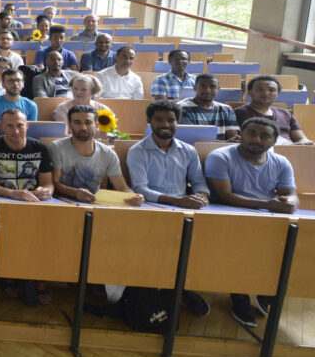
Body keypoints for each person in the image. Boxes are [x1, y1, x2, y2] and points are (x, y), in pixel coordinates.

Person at [204, 117, 298, 327]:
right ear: (241, 135)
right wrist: (269, 205)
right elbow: (225, 195)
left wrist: (289, 202)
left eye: (264, 136)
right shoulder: (220, 157)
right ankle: (239, 294)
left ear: (274, 140)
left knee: (294, 239)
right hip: (229, 215)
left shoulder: (281, 162)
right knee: (244, 242)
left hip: (267, 214)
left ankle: (265, 290)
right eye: (252, 133)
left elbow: (291, 193)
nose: (257, 139)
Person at [126, 100, 211, 317]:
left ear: (178, 121)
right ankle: (169, 291)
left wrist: (201, 196)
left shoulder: (188, 151)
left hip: (184, 211)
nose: (166, 124)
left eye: (171, 120)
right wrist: (176, 201)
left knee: (198, 247)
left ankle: (181, 287)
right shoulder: (137, 151)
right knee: (157, 250)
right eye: (159, 119)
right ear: (149, 121)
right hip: (150, 210)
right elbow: (140, 189)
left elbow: (199, 182)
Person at [0, 108, 54, 309]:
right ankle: (9, 277)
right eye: (10, 126)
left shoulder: (40, 148)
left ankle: (40, 278)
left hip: (35, 205)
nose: (15, 130)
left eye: (20, 125)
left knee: (49, 233)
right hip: (5, 203)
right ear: (1, 127)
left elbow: (49, 183)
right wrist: (13, 194)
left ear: (27, 125)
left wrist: (45, 191)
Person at [49, 106, 142, 204]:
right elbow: (55, 183)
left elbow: (121, 186)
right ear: (69, 125)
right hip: (62, 202)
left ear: (96, 125)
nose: (83, 127)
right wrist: (75, 193)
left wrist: (133, 197)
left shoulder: (108, 153)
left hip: (94, 203)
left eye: (88, 123)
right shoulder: (58, 148)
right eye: (77, 122)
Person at [234, 75, 314, 145]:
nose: (266, 93)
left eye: (271, 90)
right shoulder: (239, 113)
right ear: (250, 92)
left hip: (292, 151)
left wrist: (304, 143)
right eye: (260, 89)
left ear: (278, 93)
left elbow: (301, 138)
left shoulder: (285, 114)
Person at [178, 73, 239, 140]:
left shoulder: (227, 109)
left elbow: (233, 138)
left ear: (218, 89)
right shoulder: (183, 108)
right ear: (194, 88)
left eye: (212, 87)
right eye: (203, 86)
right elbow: (190, 139)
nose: (207, 90)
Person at [0, 69, 39, 136]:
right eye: (10, 81)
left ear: (23, 83)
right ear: (3, 84)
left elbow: (31, 134)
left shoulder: (31, 105)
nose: (15, 84)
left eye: (18, 80)